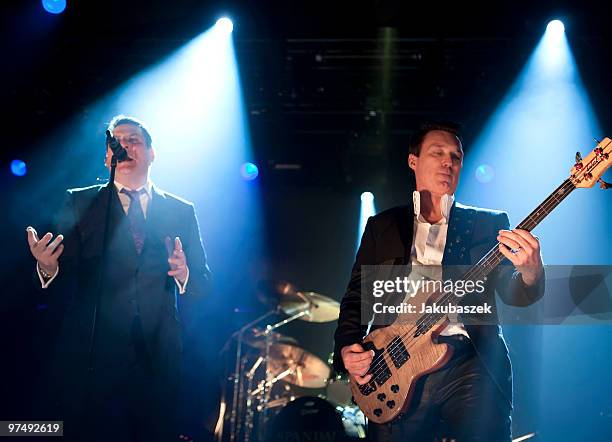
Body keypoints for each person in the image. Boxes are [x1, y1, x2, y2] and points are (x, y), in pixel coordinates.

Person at [333, 122, 545, 441]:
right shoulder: (383, 226)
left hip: (469, 360)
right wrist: (348, 348)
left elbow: (514, 293)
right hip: (395, 364)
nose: (449, 162)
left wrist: (532, 273)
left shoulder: (488, 224)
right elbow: (357, 297)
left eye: (456, 157)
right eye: (438, 153)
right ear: (413, 161)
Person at [26, 115, 212, 442]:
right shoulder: (81, 201)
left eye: (133, 141)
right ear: (106, 157)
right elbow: (59, 266)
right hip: (92, 351)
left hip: (157, 353)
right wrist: (47, 267)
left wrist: (184, 273)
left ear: (152, 153)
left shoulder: (181, 211)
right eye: (117, 142)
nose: (123, 146)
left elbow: (203, 282)